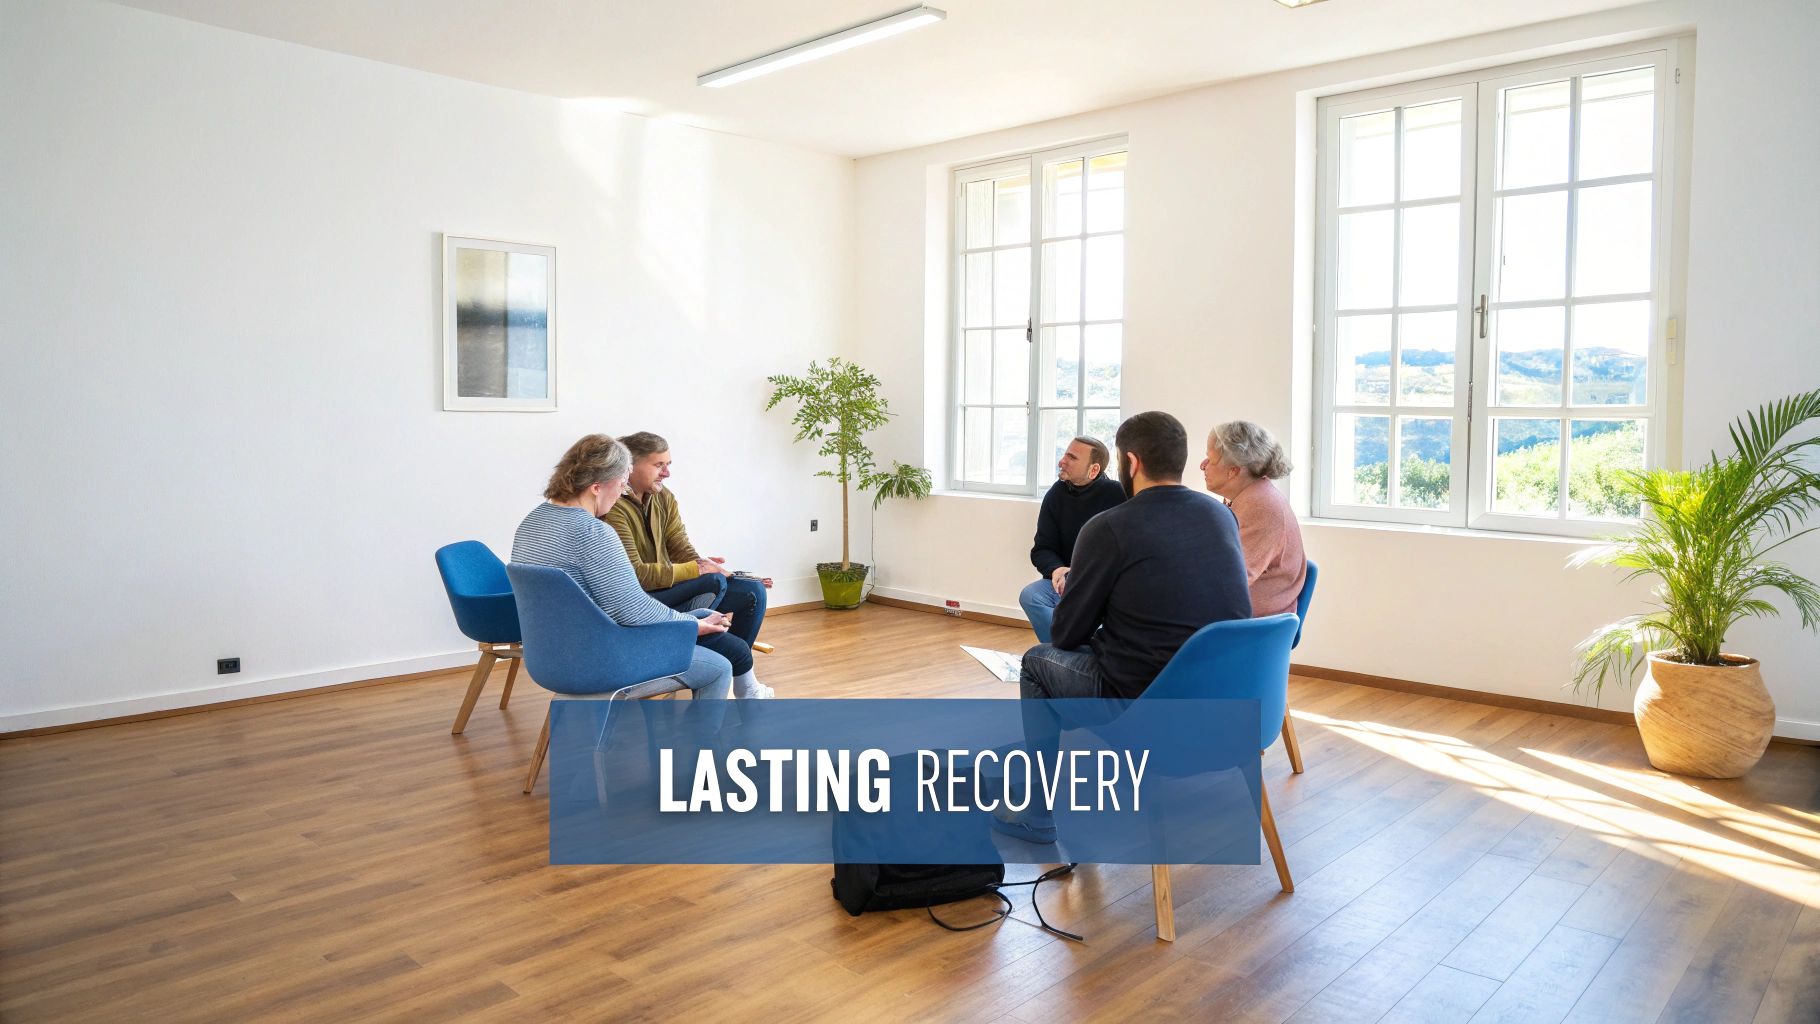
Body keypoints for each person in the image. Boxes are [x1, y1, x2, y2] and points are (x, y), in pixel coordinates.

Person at [995, 412, 1253, 843]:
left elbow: (1065, 635)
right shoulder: (1220, 517)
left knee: (1037, 662)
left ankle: (1037, 811)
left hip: (1145, 707)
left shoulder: (1110, 526)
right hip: (1225, 708)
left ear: (1130, 463)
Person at [511, 434, 773, 700]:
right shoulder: (592, 533)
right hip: (600, 660)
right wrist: (692, 625)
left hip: (549, 659)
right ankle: (701, 741)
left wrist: (691, 620)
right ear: (597, 486)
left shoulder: (532, 522)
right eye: (621, 484)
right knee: (721, 663)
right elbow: (633, 611)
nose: (620, 494)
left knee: (710, 625)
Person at [603, 432, 769, 651]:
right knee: (714, 582)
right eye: (659, 465)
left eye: (668, 464)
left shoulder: (664, 497)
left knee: (753, 590)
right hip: (641, 599)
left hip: (667, 587)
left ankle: (733, 666)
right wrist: (700, 570)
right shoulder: (612, 505)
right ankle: (697, 650)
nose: (667, 473)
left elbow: (679, 545)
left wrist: (716, 569)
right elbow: (638, 576)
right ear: (630, 466)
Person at [1018, 436, 1126, 643]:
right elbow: (1042, 549)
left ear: (1093, 470)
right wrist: (1058, 570)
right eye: (1064, 454)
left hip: (1102, 584)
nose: (1062, 461)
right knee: (1031, 596)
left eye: (1072, 457)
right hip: (1065, 581)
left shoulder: (1118, 495)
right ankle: (1058, 654)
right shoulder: (1055, 494)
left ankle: (1068, 654)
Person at [1200, 421, 1306, 618]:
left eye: (1210, 459)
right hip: (1244, 615)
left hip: (1252, 627)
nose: (1202, 466)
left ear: (1234, 471)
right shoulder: (1249, 496)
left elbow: (1231, 577)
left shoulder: (1261, 506)